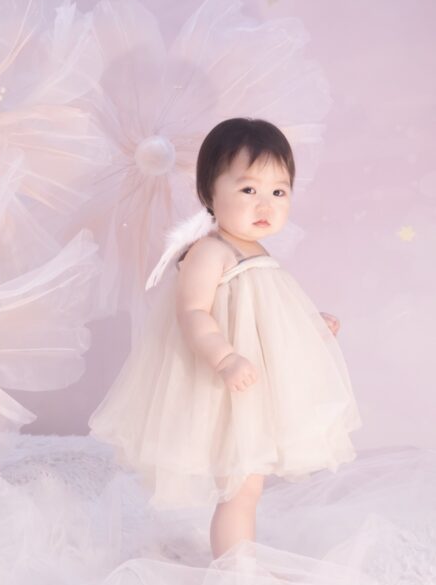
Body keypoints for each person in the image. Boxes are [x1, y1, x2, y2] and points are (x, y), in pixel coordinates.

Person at [88, 117, 362, 560]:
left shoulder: (258, 251)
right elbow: (192, 312)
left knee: (249, 486)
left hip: (256, 393)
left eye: (279, 191)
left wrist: (313, 324)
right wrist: (224, 358)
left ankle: (240, 560)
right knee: (239, 487)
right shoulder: (211, 251)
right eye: (249, 189)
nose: (266, 203)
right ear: (209, 193)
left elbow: (269, 314)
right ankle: (236, 570)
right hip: (226, 390)